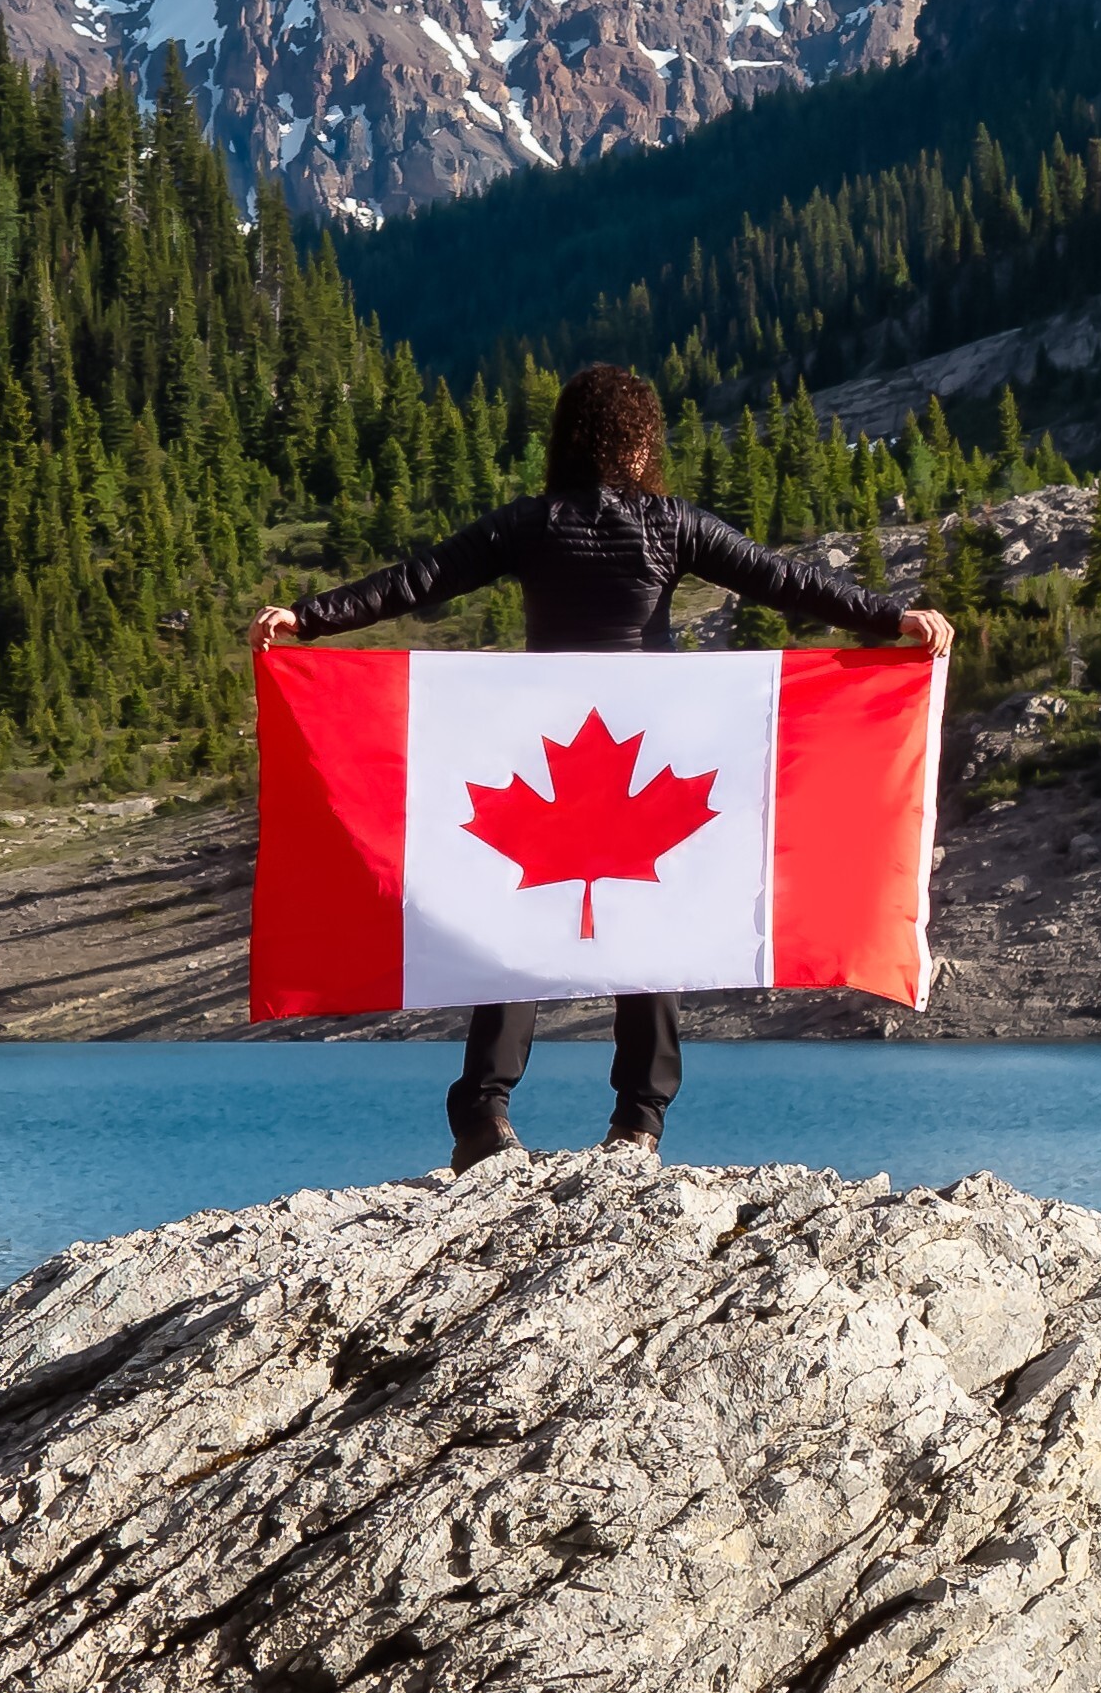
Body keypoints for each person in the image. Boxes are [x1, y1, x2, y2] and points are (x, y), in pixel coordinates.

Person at [252, 363, 952, 1170]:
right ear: (643, 441)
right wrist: (889, 616)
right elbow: (784, 579)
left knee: (512, 921)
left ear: (568, 441)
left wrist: (310, 616)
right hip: (643, 745)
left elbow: (420, 580)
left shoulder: (530, 522)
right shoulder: (671, 524)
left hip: (543, 747)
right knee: (648, 925)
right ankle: (639, 1122)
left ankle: (482, 1112)